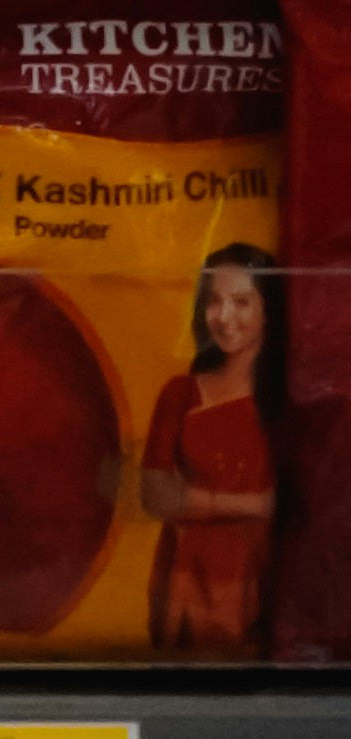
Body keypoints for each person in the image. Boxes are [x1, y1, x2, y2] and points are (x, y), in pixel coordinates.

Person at [140, 241, 283, 656]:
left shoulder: (286, 400)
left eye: (241, 302)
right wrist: (255, 506)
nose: (224, 317)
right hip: (185, 579)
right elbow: (155, 495)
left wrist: (192, 500)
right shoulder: (181, 393)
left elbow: (299, 502)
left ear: (267, 309)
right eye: (213, 302)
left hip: (259, 577)